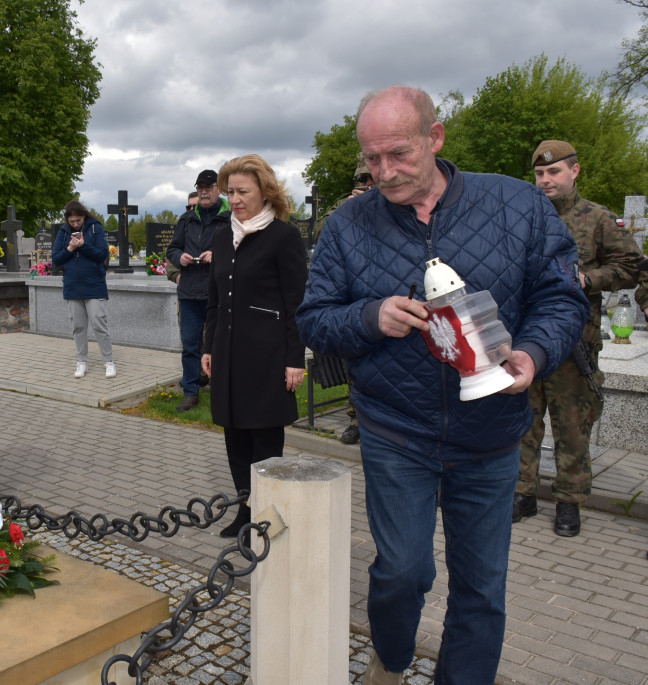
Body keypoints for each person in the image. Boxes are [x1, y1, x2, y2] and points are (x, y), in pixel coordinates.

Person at [296, 86, 588, 684]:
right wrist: (368, 317)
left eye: (398, 154)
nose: (384, 172)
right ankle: (394, 658)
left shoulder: (518, 206)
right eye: (371, 159)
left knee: (482, 586)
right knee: (402, 571)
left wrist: (532, 355)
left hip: (492, 436)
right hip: (396, 431)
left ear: (436, 137)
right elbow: (314, 315)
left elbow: (561, 298)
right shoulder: (348, 225)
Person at [514, 141, 641, 537]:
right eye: (539, 174)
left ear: (574, 171)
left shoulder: (599, 219)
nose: (546, 180)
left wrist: (587, 279)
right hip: (527, 337)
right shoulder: (522, 217)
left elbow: (629, 267)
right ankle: (523, 492)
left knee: (572, 424)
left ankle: (570, 500)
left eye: (554, 172)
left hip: (574, 342)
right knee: (523, 420)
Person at [202, 154, 307, 538]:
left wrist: (296, 358)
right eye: (230, 191)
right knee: (234, 432)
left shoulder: (283, 237)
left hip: (267, 355)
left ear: (265, 191)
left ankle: (268, 513)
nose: (235, 199)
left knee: (263, 435)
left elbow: (297, 303)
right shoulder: (221, 235)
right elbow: (214, 298)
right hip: (228, 352)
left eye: (243, 191)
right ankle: (244, 509)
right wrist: (209, 346)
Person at [313, 152, 375, 445]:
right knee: (355, 364)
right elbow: (319, 232)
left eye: (371, 178)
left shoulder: (402, 200)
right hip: (355, 299)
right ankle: (356, 420)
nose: (367, 183)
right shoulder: (346, 205)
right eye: (362, 179)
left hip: (390, 296)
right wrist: (349, 211)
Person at [167, 170, 230, 412]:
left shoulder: (229, 219)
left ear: (218, 189)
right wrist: (178, 257)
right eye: (200, 187)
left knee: (220, 345)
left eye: (209, 187)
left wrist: (218, 255)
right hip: (190, 291)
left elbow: (240, 250)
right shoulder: (186, 219)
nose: (204, 191)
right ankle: (191, 392)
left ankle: (220, 389)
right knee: (190, 346)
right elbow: (172, 248)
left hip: (218, 292)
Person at [51, 200, 115, 379]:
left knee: (99, 324)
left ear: (84, 216)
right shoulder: (63, 232)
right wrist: (71, 247)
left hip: (94, 285)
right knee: (78, 327)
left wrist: (83, 246)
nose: (75, 224)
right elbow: (56, 259)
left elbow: (102, 254)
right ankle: (82, 362)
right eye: (72, 221)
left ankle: (109, 362)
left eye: (78, 220)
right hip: (72, 286)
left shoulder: (95, 228)